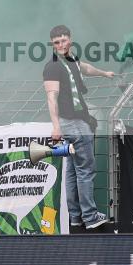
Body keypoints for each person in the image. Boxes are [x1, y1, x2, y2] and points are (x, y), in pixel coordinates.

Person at [42, 24, 114, 232]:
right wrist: (56, 127)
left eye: (63, 40)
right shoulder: (53, 66)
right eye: (56, 42)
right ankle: (90, 217)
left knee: (74, 171)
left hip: (75, 120)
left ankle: (76, 218)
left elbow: (84, 68)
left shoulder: (71, 60)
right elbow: (51, 97)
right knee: (85, 170)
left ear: (70, 39)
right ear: (52, 44)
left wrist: (104, 73)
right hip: (72, 122)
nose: (61, 45)